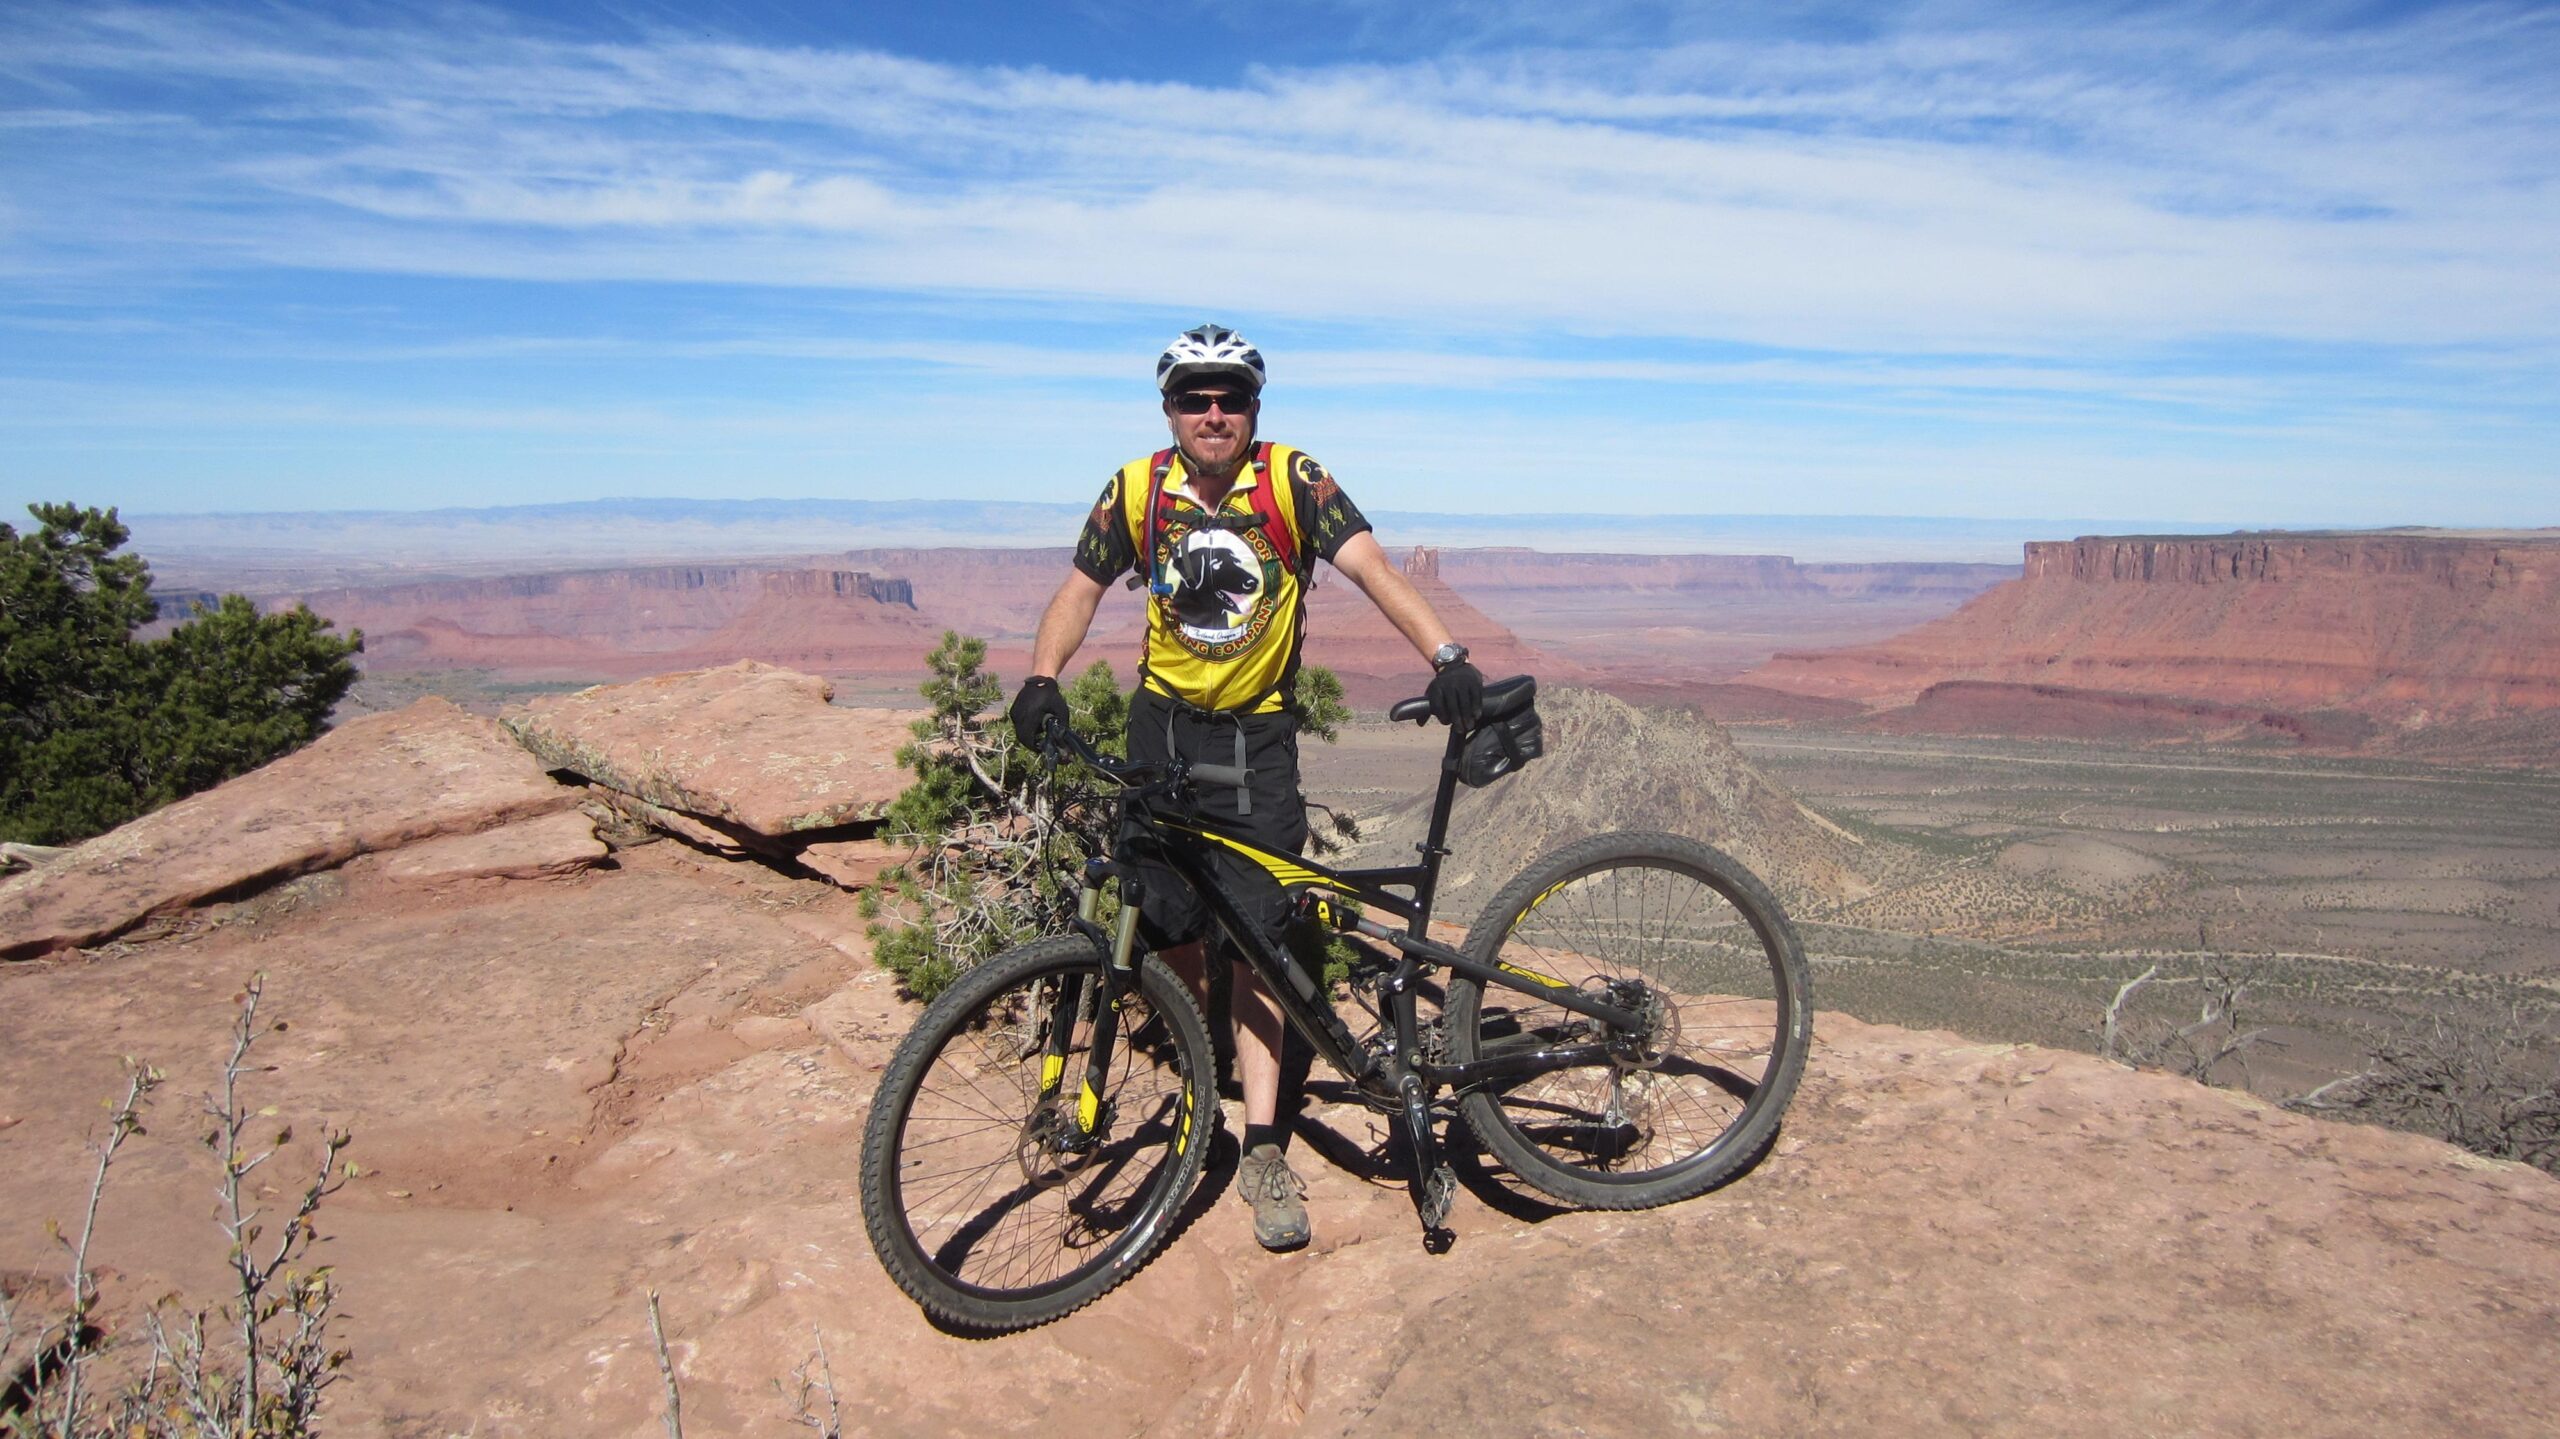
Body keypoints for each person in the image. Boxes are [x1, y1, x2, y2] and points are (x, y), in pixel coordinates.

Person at [1009, 323, 1483, 1252]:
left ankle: (1263, 1143)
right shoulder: (1138, 488)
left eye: (1229, 396)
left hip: (1255, 745)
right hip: (1161, 735)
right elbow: (1079, 589)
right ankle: (1199, 1103)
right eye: (1195, 396)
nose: (1213, 411)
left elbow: (1371, 569)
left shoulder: (1291, 481)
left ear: (1254, 408)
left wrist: (1447, 654)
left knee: (1261, 944)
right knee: (1174, 930)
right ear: (1170, 409)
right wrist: (1040, 674)